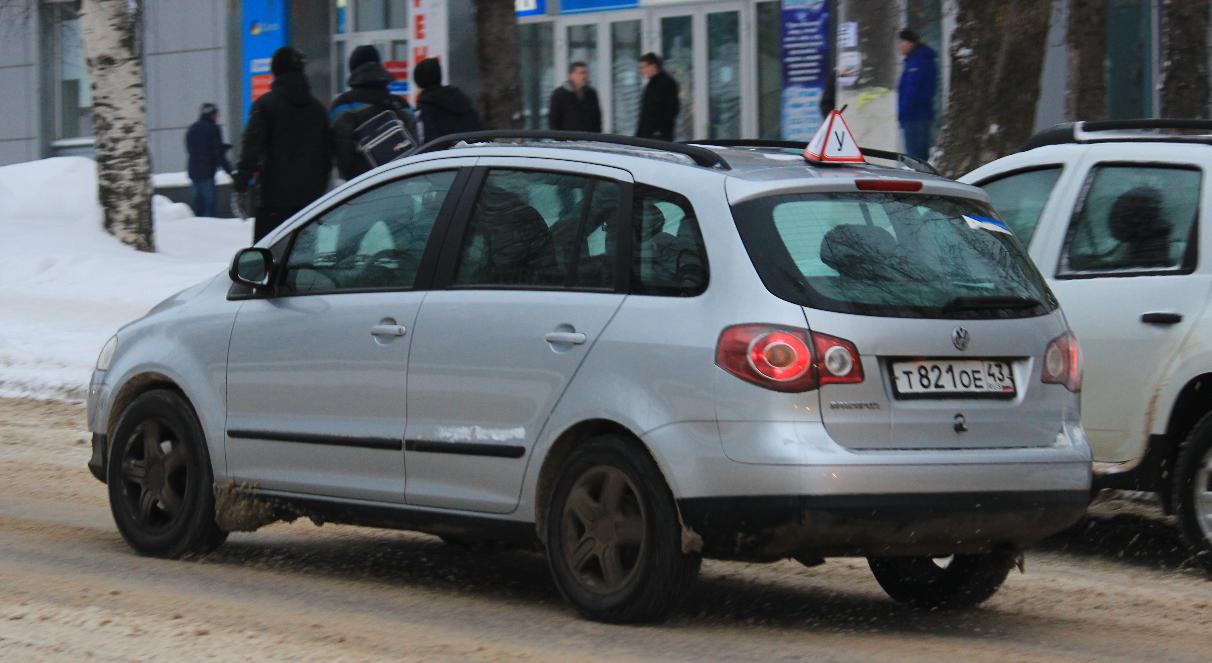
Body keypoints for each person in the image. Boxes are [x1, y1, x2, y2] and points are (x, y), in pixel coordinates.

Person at [233, 46, 332, 242]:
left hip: (273, 201)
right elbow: (327, 155)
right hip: (310, 203)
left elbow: (251, 148)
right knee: (304, 254)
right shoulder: (318, 110)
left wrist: (241, 184)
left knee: (268, 253)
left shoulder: (265, 106)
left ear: (275, 71)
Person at [329, 45, 420, 181]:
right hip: (399, 181)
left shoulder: (344, 105)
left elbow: (341, 150)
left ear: (353, 69)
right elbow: (415, 143)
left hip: (362, 185)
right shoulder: (400, 103)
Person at [413, 58, 483, 143]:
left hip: (445, 151)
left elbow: (427, 139)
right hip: (475, 149)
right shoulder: (460, 98)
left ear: (418, 80)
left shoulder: (425, 105)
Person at [896, 29, 938, 161]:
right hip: (915, 117)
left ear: (910, 43)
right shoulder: (914, 60)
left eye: (901, 42)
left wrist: (904, 112)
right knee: (918, 157)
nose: (899, 45)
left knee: (916, 159)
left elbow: (912, 91)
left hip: (916, 117)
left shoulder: (918, 62)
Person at [185, 102, 232, 217]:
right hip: (207, 172)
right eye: (217, 114)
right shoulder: (213, 128)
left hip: (193, 171)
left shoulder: (192, 128)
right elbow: (217, 153)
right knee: (209, 208)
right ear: (212, 114)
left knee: (198, 207)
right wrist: (230, 171)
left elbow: (195, 149)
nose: (217, 117)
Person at [636, 53, 680, 141]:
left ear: (653, 66)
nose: (642, 71)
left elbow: (672, 109)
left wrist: (660, 130)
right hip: (648, 135)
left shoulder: (667, 83)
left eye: (643, 67)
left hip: (659, 136)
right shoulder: (651, 84)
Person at [548, 61, 602, 133]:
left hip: (589, 138)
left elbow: (597, 120)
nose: (585, 76)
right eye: (581, 73)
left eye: (586, 73)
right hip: (567, 138)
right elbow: (554, 122)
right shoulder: (559, 94)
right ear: (571, 75)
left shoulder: (591, 94)